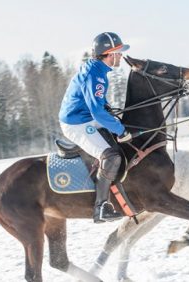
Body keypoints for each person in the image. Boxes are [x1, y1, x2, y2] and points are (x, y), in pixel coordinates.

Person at [58, 32, 132, 223]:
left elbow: (96, 102)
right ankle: (100, 208)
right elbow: (97, 113)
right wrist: (120, 130)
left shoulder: (99, 69)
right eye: (118, 52)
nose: (121, 56)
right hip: (77, 123)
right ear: (109, 53)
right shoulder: (96, 75)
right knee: (111, 156)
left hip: (86, 116)